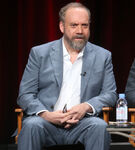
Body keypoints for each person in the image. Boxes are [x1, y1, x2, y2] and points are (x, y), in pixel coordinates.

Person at [17, 2, 117, 150]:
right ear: (62, 27)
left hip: (83, 123)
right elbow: (25, 95)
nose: (80, 31)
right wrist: (46, 114)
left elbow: (110, 94)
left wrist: (85, 107)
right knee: (32, 125)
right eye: (74, 25)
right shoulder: (39, 54)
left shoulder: (103, 56)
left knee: (99, 126)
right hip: (46, 122)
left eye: (85, 25)